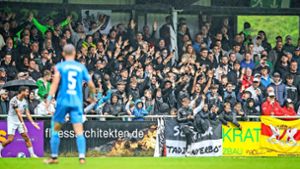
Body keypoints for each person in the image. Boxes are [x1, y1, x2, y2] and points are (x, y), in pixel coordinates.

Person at [44, 44, 96, 164]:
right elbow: (91, 84)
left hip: (63, 101)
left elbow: (55, 84)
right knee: (79, 131)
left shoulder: (60, 66)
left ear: (63, 54)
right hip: (77, 102)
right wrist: (92, 97)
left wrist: (49, 98)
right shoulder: (81, 67)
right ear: (75, 54)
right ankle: (82, 157)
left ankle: (54, 157)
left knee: (56, 129)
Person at [0, 86, 40, 158]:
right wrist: (23, 123)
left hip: (19, 120)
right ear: (22, 91)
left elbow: (27, 113)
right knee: (10, 139)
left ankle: (32, 154)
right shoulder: (13, 100)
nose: (28, 93)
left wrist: (33, 123)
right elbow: (18, 112)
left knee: (26, 137)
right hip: (12, 120)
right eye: (27, 92)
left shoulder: (25, 101)